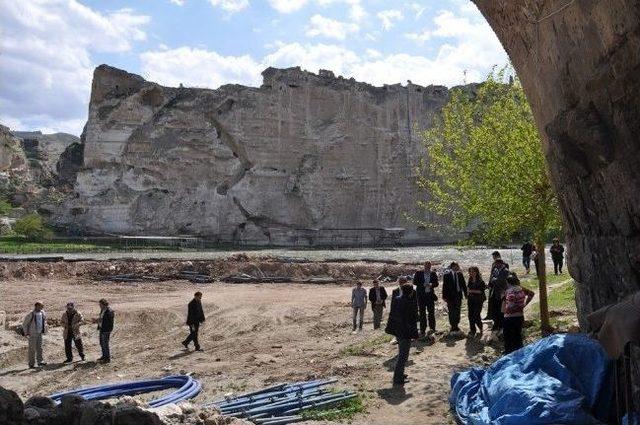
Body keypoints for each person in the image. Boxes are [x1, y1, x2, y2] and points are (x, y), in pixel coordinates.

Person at [385, 278, 418, 385]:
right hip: (406, 332)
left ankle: (400, 374)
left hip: (398, 331)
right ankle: (398, 378)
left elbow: (392, 315)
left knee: (401, 354)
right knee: (403, 356)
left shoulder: (397, 299)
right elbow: (412, 319)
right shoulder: (410, 303)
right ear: (411, 292)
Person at [502, 273, 535, 354]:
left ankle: (508, 355)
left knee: (508, 338)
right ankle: (520, 355)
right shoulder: (521, 289)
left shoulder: (509, 291)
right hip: (520, 316)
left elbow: (511, 301)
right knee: (518, 337)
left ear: (508, 282)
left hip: (509, 317)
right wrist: (524, 305)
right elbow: (531, 294)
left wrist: (508, 308)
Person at [413, 261, 439, 336]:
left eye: (429, 265)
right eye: (426, 265)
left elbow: (436, 283)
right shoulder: (418, 273)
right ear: (424, 265)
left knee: (431, 313)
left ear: (431, 266)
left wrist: (431, 284)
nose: (428, 266)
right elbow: (414, 282)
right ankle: (422, 330)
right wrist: (423, 284)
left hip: (430, 296)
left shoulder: (433, 273)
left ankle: (432, 328)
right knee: (422, 313)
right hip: (421, 296)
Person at [442, 262, 467, 334]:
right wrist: (444, 296)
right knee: (451, 311)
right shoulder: (447, 275)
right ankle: (453, 326)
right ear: (452, 267)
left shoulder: (460, 274)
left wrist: (466, 294)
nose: (457, 267)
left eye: (458, 266)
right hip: (450, 296)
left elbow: (463, 285)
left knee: (458, 310)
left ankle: (456, 324)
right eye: (456, 266)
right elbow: (444, 287)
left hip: (458, 295)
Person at [22, 302, 47, 368]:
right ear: (36, 306)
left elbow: (44, 321)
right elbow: (25, 324)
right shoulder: (31, 314)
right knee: (32, 349)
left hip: (39, 333)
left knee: (40, 348)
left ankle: (40, 361)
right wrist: (26, 333)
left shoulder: (42, 313)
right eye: (41, 306)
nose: (42, 307)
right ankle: (31, 364)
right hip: (32, 334)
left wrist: (45, 330)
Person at [485, 251, 509, 320]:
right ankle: (489, 315)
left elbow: (505, 276)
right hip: (492, 285)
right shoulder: (494, 264)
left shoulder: (504, 264)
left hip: (500, 286)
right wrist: (489, 283)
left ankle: (498, 317)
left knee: (499, 302)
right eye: (493, 257)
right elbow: (492, 274)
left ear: (498, 256)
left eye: (494, 257)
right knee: (491, 300)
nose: (494, 258)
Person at [488, 257, 509, 334]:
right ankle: (496, 324)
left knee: (501, 310)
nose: (495, 265)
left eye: (496, 264)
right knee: (495, 310)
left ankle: (500, 325)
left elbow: (499, 281)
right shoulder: (495, 270)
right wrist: (493, 280)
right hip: (494, 292)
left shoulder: (505, 271)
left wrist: (494, 279)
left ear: (500, 263)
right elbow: (492, 279)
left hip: (501, 293)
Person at [466, 267, 486, 336]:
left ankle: (481, 328)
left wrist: (471, 291)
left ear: (476, 272)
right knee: (470, 315)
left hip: (478, 300)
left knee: (476, 315)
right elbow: (468, 288)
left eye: (473, 272)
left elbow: (480, 291)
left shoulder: (480, 281)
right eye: (470, 272)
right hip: (471, 300)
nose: (472, 273)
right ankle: (473, 330)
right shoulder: (470, 279)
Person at [97, 299, 114, 363]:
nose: (99, 306)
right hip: (102, 329)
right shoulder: (103, 310)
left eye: (100, 304)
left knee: (105, 344)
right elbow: (101, 318)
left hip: (106, 330)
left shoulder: (109, 311)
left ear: (103, 304)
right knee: (102, 343)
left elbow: (107, 321)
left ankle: (107, 358)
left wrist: (98, 321)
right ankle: (104, 356)